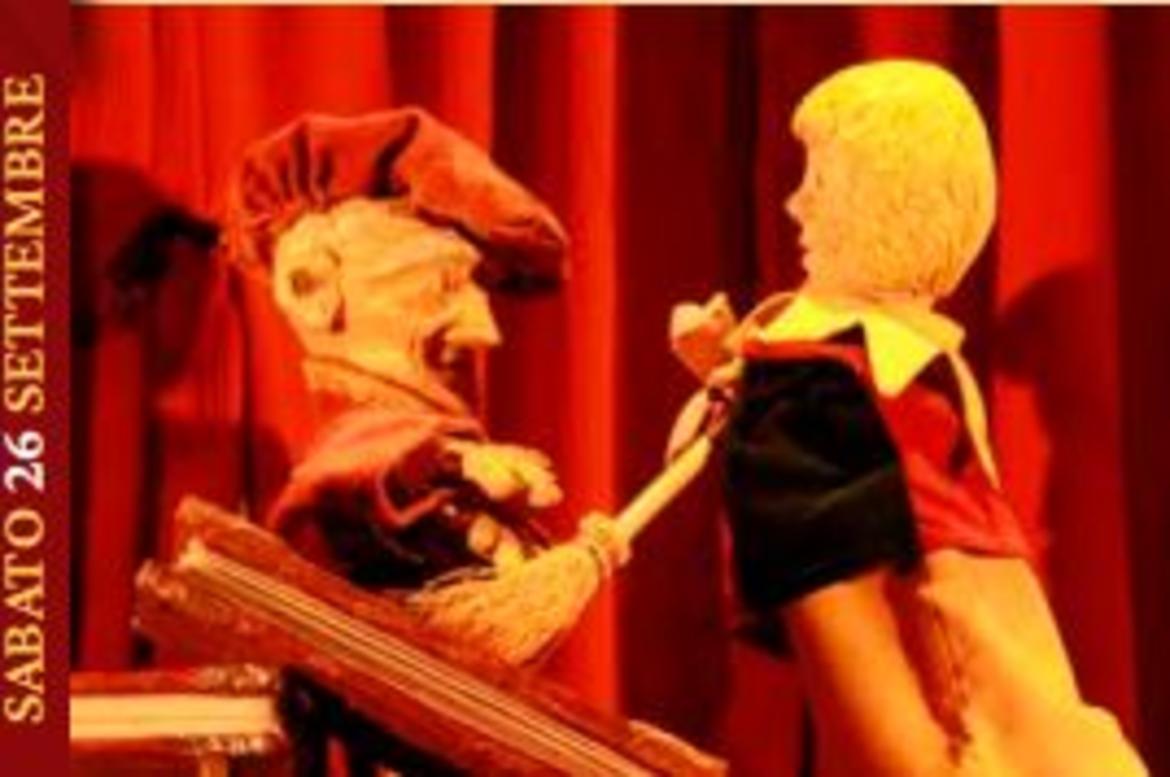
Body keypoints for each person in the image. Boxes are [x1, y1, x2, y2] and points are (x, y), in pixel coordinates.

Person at [679, 60, 1147, 776]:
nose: (795, 205)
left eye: (822, 183)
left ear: (884, 203)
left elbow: (889, 698)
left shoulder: (826, 406)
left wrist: (763, 391)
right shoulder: (898, 396)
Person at [221, 108, 568, 590]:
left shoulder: (446, 495)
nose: (485, 332)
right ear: (312, 288)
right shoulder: (364, 488)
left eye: (480, 293)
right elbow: (345, 476)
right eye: (444, 287)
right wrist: (438, 459)